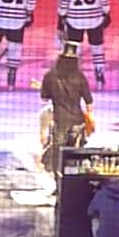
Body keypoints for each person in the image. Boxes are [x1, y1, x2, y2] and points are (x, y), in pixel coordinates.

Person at [58, 0, 112, 90]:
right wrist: (106, 12)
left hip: (75, 17)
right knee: (97, 47)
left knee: (74, 49)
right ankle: (100, 77)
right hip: (95, 16)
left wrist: (61, 15)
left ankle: (73, 78)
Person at [39, 41, 94, 176]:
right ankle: (74, 180)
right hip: (77, 120)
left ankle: (59, 183)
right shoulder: (80, 76)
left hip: (60, 120)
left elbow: (44, 98)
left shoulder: (49, 75)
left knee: (58, 154)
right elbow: (89, 103)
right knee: (74, 154)